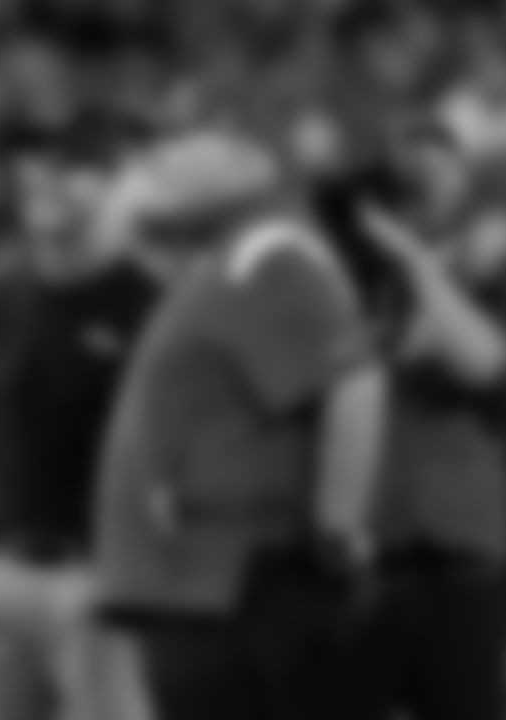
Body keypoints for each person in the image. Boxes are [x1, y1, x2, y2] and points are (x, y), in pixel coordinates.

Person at [91, 129, 389, 720]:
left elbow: (354, 383)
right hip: (205, 591)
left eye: (173, 157)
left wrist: (338, 527)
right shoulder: (226, 264)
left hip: (245, 586)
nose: (154, 167)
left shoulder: (268, 253)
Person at [310, 124, 506, 720]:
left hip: (460, 572)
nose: (416, 192)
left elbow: (485, 363)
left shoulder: (503, 292)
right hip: (356, 572)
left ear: (465, 188)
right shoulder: (345, 293)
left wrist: (411, 257)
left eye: (434, 175)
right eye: (403, 175)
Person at [0, 132, 159, 720]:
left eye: (75, 169)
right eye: (38, 172)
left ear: (119, 187)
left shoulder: (147, 304)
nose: (51, 187)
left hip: (97, 578)